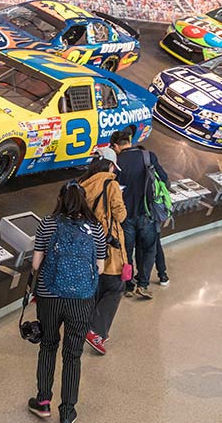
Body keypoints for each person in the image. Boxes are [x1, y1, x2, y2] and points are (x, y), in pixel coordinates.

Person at [28, 181, 107, 423]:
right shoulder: (95, 228)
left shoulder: (48, 223)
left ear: (60, 199)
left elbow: (35, 264)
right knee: (73, 355)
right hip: (81, 300)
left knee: (48, 346)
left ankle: (43, 402)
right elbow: (100, 268)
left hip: (50, 296)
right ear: (85, 200)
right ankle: (67, 412)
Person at [111, 126, 169, 299]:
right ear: (130, 142)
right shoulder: (148, 156)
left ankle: (128, 285)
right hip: (147, 214)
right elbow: (164, 178)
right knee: (149, 249)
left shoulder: (116, 163)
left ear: (116, 146)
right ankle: (142, 284)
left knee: (126, 251)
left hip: (126, 217)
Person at [80, 147, 127, 355]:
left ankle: (84, 325)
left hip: (88, 244)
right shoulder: (111, 184)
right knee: (115, 288)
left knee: (96, 287)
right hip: (109, 247)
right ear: (109, 165)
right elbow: (121, 215)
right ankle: (96, 331)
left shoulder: (82, 185)